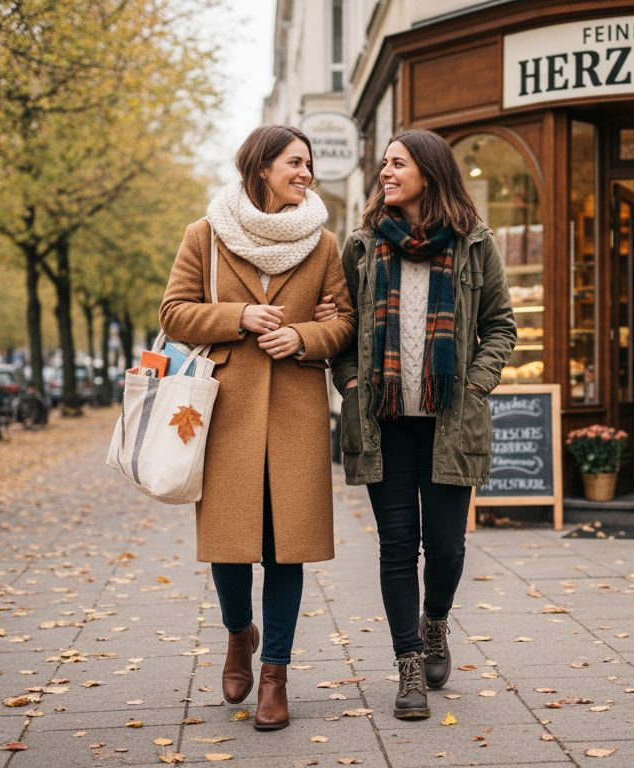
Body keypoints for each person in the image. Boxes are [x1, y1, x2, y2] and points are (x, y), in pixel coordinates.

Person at [159, 125, 355, 731]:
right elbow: (172, 312)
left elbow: (345, 321)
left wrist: (304, 336)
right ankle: (237, 633)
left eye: (310, 163)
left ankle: (275, 674)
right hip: (226, 410)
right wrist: (238, 315)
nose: (306, 173)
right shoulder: (207, 235)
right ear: (261, 167)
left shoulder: (323, 244)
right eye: (295, 162)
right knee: (229, 545)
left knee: (285, 548)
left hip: (295, 410)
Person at [333, 129, 516, 720]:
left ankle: (434, 621)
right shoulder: (361, 247)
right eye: (384, 164)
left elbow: (500, 326)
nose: (386, 172)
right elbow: (339, 326)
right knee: (395, 547)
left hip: (448, 421)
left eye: (397, 163)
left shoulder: (473, 244)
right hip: (384, 422)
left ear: (429, 173)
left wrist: (475, 385)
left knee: (446, 548)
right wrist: (353, 381)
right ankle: (408, 663)